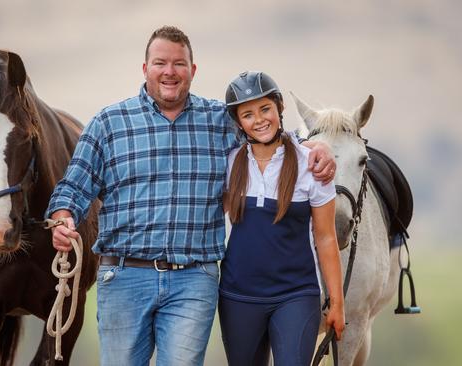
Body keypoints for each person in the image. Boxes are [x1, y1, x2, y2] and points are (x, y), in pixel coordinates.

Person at [46, 26, 336, 366]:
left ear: (192, 71)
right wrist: (63, 217)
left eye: (179, 63)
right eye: (160, 63)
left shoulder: (219, 121)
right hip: (124, 278)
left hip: (193, 280)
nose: (170, 71)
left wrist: (316, 146)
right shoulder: (110, 123)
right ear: (145, 69)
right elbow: (74, 186)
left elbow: (266, 134)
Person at [218, 71, 345, 366]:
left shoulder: (311, 165)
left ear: (280, 108)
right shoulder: (229, 163)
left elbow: (326, 238)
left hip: (296, 295)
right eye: (248, 114)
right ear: (239, 122)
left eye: (265, 109)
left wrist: (337, 303)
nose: (259, 119)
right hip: (238, 297)